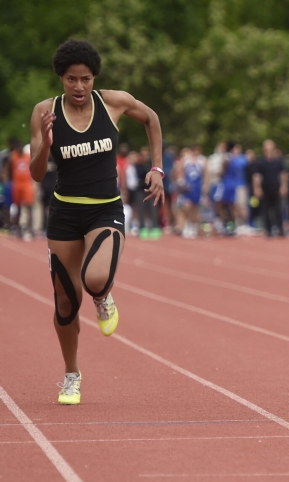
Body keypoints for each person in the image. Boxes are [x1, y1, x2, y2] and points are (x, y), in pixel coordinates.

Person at [28, 40, 165, 405]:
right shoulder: (45, 111)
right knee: (65, 304)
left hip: (106, 209)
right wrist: (46, 144)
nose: (78, 87)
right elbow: (37, 173)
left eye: (85, 79)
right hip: (65, 213)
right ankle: (71, 375)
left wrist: (157, 168)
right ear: (61, 78)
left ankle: (103, 297)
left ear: (94, 78)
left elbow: (151, 119)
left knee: (95, 279)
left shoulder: (114, 101)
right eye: (71, 79)